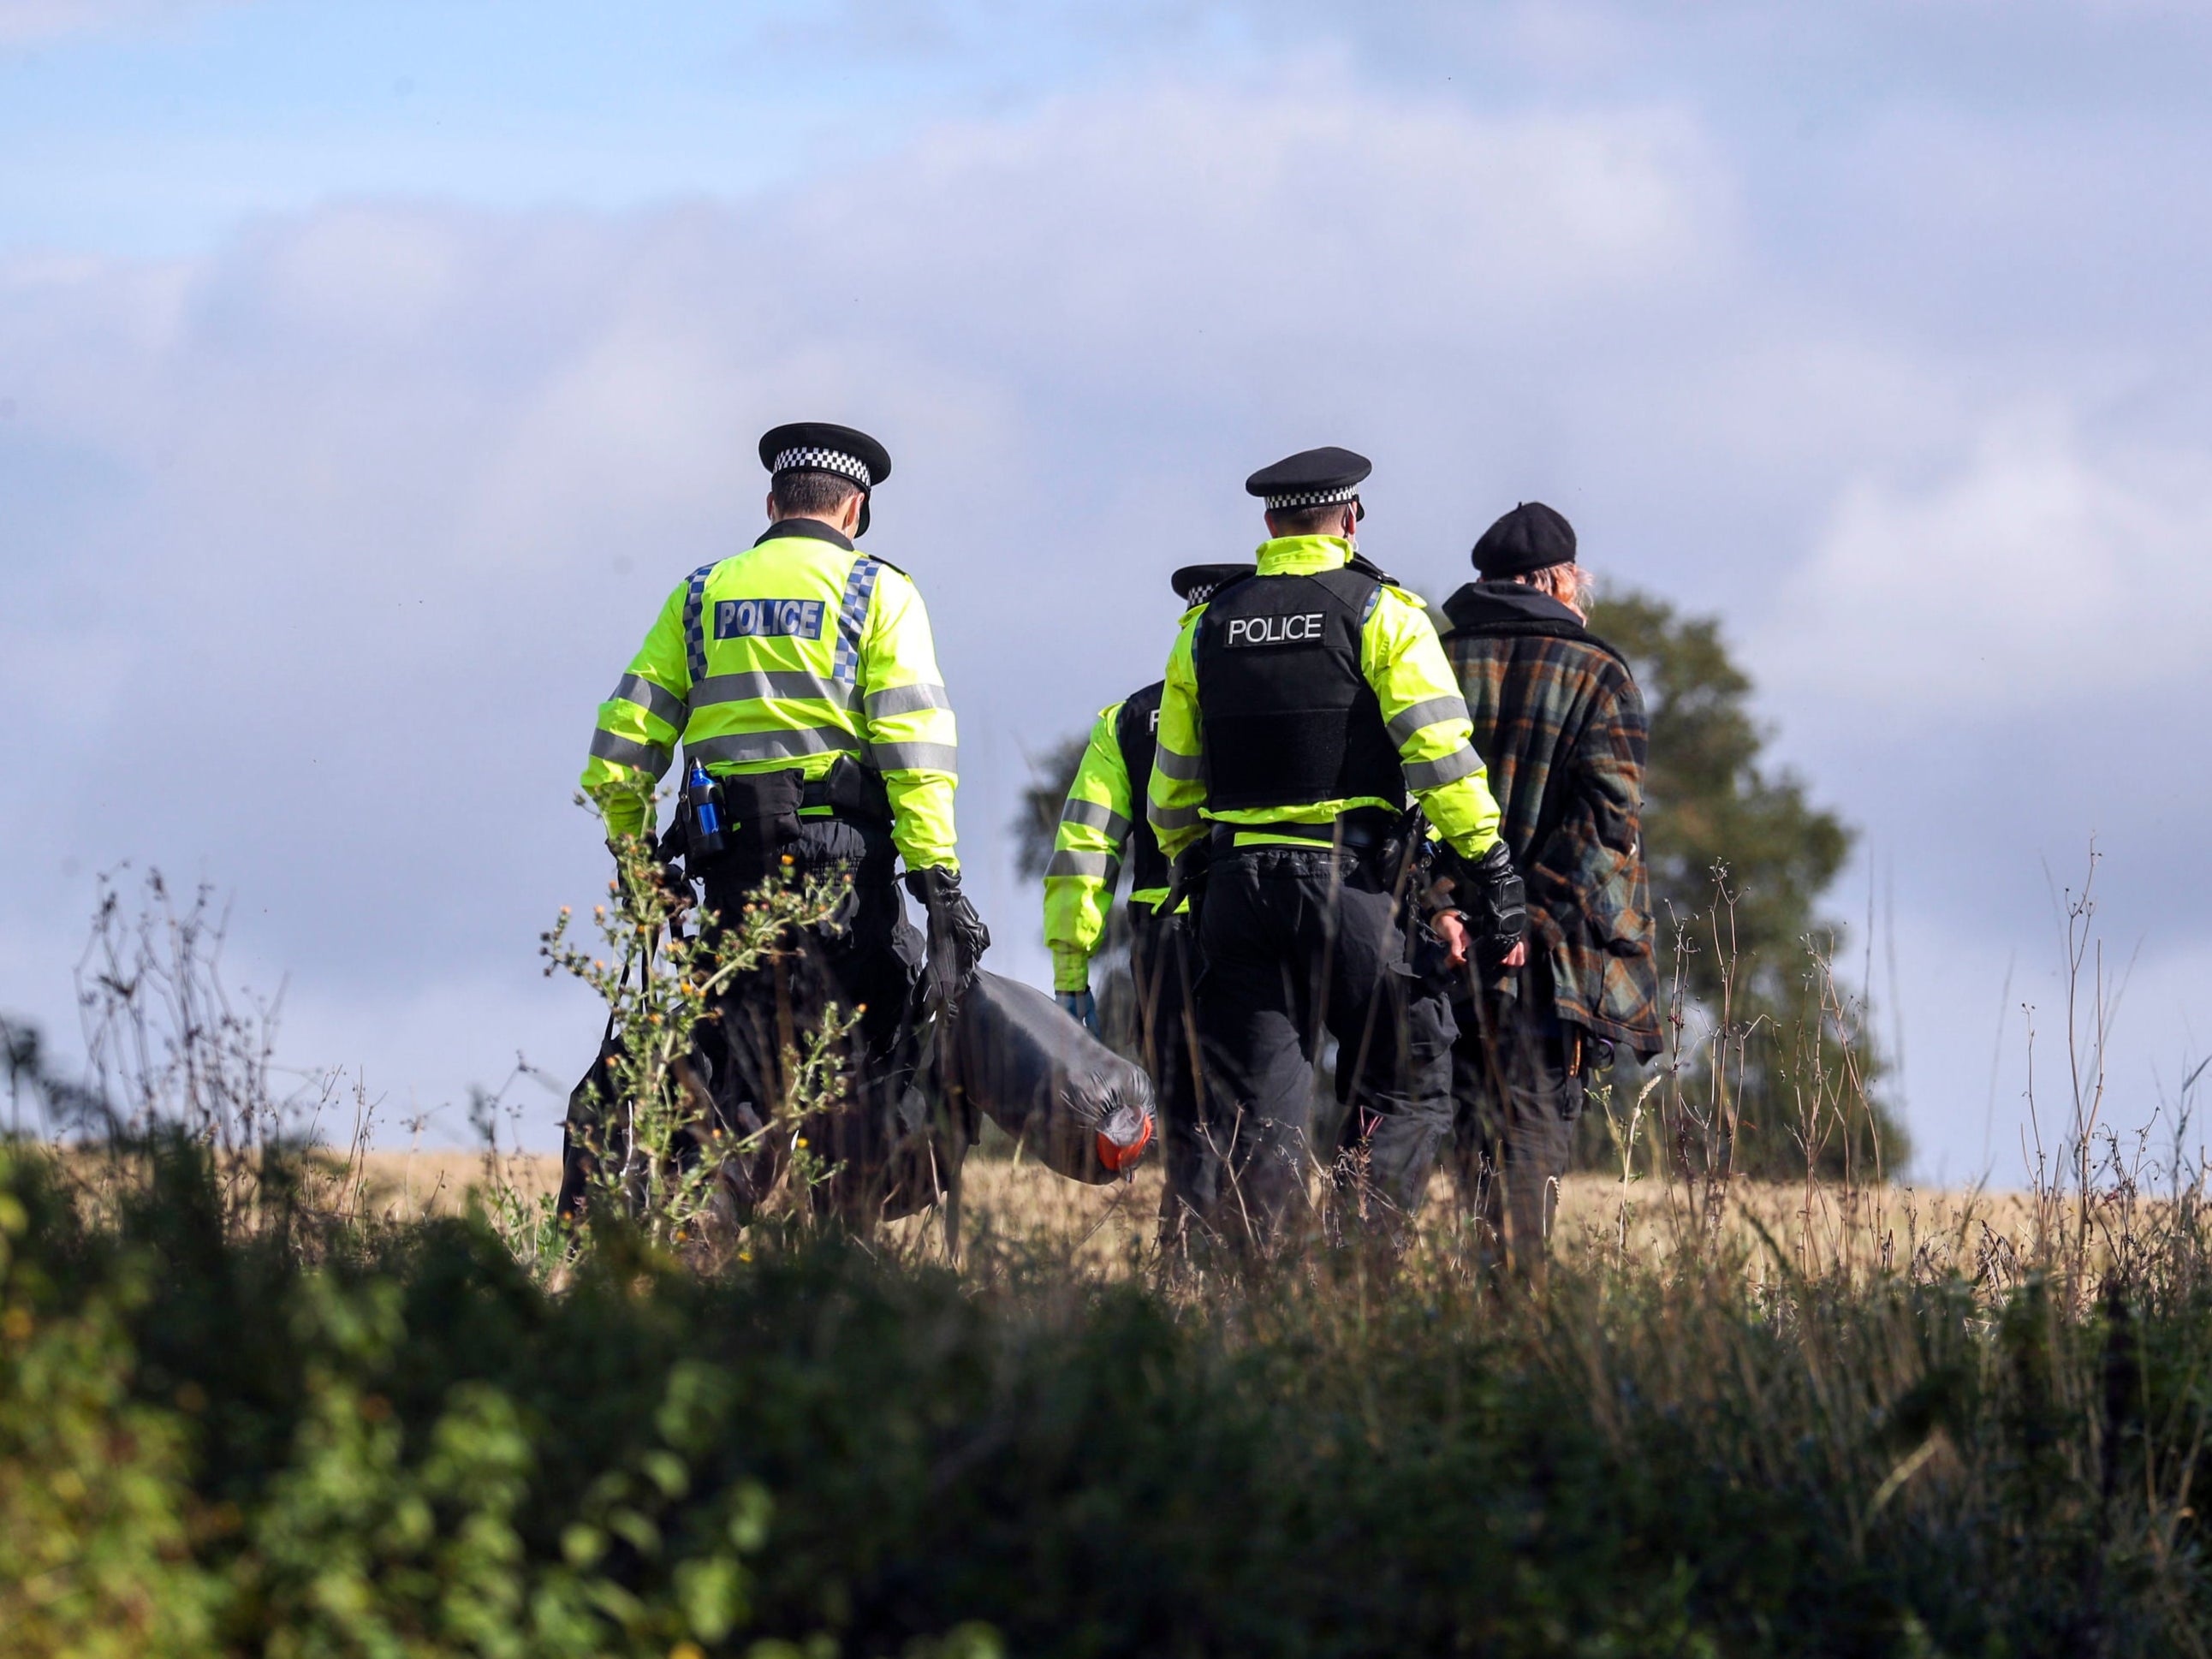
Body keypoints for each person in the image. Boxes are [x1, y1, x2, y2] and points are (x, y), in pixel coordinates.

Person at [578, 421, 989, 1218]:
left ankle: (702, 1231)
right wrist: (937, 879)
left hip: (732, 872)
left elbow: (619, 752)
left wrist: (639, 861)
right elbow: (917, 752)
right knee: (870, 1068)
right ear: (855, 510)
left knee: (737, 1075)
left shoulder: (700, 596)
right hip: (845, 876)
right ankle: (837, 1253)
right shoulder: (880, 593)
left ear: (772, 505)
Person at [1147, 447, 1525, 1252]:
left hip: (1235, 893)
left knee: (1260, 1115)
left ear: (1269, 523)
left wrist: (1189, 857)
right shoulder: (1384, 612)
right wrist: (1491, 866)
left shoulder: (1205, 627)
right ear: (1350, 519)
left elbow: (1173, 784)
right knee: (1408, 1080)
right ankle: (1360, 1273)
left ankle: (1266, 1291)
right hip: (1348, 888)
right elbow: (1439, 754)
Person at [1436, 501, 1662, 1277]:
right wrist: (1526, 919)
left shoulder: (1432, 662)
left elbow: (1399, 803)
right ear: (1560, 581)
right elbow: (1607, 825)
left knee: (1461, 1141)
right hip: (1554, 960)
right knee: (1531, 1140)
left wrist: (1443, 907)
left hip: (1442, 952)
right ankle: (1515, 1316)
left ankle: (1456, 1309)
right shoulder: (1600, 673)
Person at [1044, 563, 1252, 1238]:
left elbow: (1083, 851)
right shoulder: (1268, 693)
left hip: (1164, 940)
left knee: (1185, 1122)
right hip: (1253, 923)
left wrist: (1071, 973)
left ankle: (1184, 1257)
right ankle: (1263, 1261)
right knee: (1264, 1109)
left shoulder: (1127, 719)